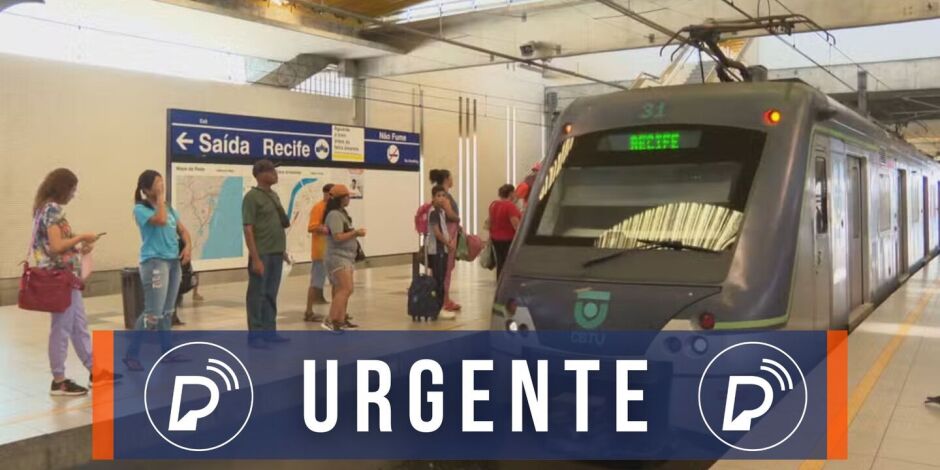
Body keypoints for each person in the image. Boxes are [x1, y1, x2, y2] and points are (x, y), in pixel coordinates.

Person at [32, 168, 119, 395]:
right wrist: (81, 237)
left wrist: (80, 246)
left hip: (66, 278)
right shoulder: (51, 210)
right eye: (72, 189)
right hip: (59, 278)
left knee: (79, 326)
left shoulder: (44, 209)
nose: (73, 194)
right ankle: (59, 380)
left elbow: (60, 245)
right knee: (61, 328)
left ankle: (94, 371)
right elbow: (56, 246)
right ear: (63, 188)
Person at [125, 170, 193, 369]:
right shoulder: (141, 209)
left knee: (167, 312)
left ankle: (167, 352)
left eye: (162, 182)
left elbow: (183, 230)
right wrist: (160, 199)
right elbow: (161, 220)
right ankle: (132, 354)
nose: (162, 186)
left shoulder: (169, 208)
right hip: (155, 263)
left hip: (173, 263)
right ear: (146, 189)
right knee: (152, 313)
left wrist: (187, 246)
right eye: (157, 183)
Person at [243, 160, 291, 347]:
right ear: (260, 174)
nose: (275, 174)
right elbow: (248, 229)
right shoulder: (251, 198)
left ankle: (269, 331)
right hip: (262, 254)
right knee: (257, 295)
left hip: (276, 253)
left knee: (271, 293)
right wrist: (255, 258)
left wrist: (283, 251)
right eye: (271, 171)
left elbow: (275, 225)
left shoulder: (274, 195)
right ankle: (255, 335)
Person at [321, 184, 365, 332]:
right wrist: (356, 233)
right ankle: (330, 320)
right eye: (347, 196)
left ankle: (340, 320)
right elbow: (337, 236)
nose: (349, 199)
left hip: (346, 257)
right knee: (346, 288)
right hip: (337, 258)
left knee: (343, 288)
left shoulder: (341, 213)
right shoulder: (334, 215)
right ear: (340, 198)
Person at [429, 169, 461, 313]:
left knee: (442, 270)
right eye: (451, 177)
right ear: (447, 179)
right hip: (447, 238)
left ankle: (441, 299)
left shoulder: (440, 197)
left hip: (446, 237)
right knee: (445, 270)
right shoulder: (446, 197)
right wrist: (458, 219)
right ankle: (444, 300)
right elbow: (451, 216)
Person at [303, 183, 333, 322]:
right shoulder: (318, 207)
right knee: (316, 283)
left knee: (336, 283)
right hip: (320, 252)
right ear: (326, 193)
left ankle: (336, 312)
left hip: (332, 252)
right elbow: (311, 227)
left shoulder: (332, 208)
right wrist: (326, 229)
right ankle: (309, 311)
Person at [426, 186, 457, 318]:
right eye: (438, 195)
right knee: (438, 279)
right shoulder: (433, 212)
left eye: (444, 195)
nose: (441, 198)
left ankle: (438, 307)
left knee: (441, 278)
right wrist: (448, 243)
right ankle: (437, 308)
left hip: (442, 249)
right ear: (433, 197)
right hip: (436, 249)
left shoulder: (441, 212)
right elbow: (437, 232)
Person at [488, 184, 522, 277]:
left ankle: (500, 282)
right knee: (509, 263)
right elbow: (515, 224)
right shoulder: (510, 206)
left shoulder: (494, 205)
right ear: (511, 193)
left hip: (495, 238)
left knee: (500, 262)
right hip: (508, 239)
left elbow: (490, 222)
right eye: (514, 192)